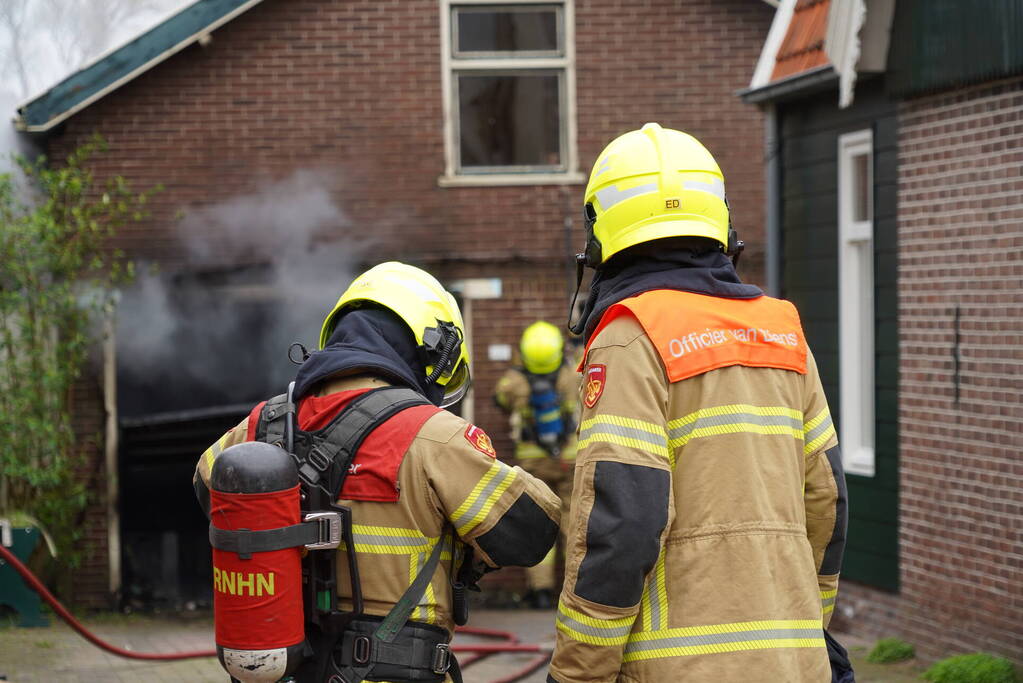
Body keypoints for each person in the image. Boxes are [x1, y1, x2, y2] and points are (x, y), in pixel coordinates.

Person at [547, 124, 848, 682]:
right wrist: (807, 626)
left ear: (599, 232)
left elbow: (624, 521)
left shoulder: (631, 334)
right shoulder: (784, 332)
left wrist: (578, 673)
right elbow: (827, 499)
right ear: (720, 219)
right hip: (796, 663)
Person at [193, 262, 561, 683]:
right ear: (431, 347)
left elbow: (211, 496)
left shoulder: (263, 423)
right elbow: (531, 534)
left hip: (289, 669)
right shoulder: (433, 435)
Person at [493, 321, 579, 608]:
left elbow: (500, 398)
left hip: (533, 463)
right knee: (572, 524)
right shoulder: (571, 375)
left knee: (540, 524)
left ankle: (540, 591)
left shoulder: (515, 381)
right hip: (569, 459)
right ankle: (574, 589)